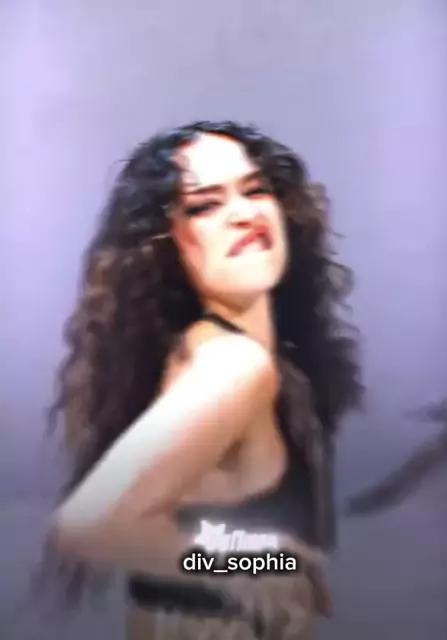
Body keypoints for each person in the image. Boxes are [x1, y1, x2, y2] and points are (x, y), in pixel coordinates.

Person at [46, 121, 362, 639]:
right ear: (165, 244)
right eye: (204, 205)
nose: (244, 214)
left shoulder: (244, 357)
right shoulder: (232, 365)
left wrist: (281, 561)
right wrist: (238, 570)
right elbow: (85, 525)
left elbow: (212, 525)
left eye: (255, 190)